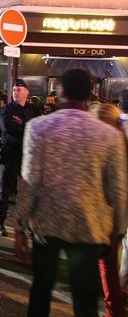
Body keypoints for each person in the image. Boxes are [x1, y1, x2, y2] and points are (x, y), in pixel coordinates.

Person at [15, 68, 127, 317]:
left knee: (41, 291)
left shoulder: (38, 128)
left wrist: (20, 225)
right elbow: (118, 189)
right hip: (89, 227)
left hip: (47, 224)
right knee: (85, 299)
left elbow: (30, 181)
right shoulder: (109, 135)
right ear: (91, 94)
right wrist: (117, 232)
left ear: (61, 91)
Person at [89, 103, 126, 317]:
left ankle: (114, 310)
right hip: (114, 221)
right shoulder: (121, 141)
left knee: (105, 268)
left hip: (103, 220)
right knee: (110, 268)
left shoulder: (104, 147)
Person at [0, 78, 41, 236]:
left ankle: (25, 222)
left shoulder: (33, 109)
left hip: (28, 154)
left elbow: (38, 129)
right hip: (10, 153)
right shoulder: (6, 109)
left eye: (19, 90)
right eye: (14, 90)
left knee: (27, 191)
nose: (15, 92)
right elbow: (8, 129)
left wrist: (23, 124)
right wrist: (26, 126)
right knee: (4, 190)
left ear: (27, 92)